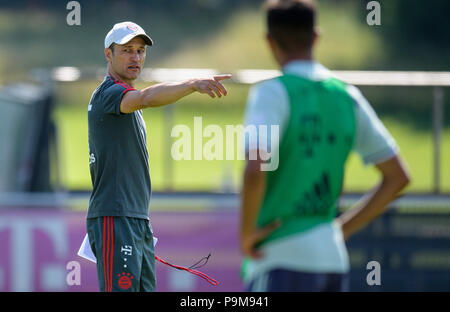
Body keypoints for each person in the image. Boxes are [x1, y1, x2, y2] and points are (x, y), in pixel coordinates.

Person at [240, 0, 410, 292]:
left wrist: (246, 235)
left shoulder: (271, 93)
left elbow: (256, 169)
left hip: (281, 258)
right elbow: (397, 178)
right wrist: (338, 230)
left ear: (269, 40)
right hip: (332, 261)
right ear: (316, 37)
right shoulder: (348, 96)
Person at [86, 21, 231, 292]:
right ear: (109, 54)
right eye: (127, 50)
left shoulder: (123, 99)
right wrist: (192, 84)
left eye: (140, 51)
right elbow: (147, 97)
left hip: (135, 219)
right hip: (116, 217)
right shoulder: (111, 94)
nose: (136, 57)